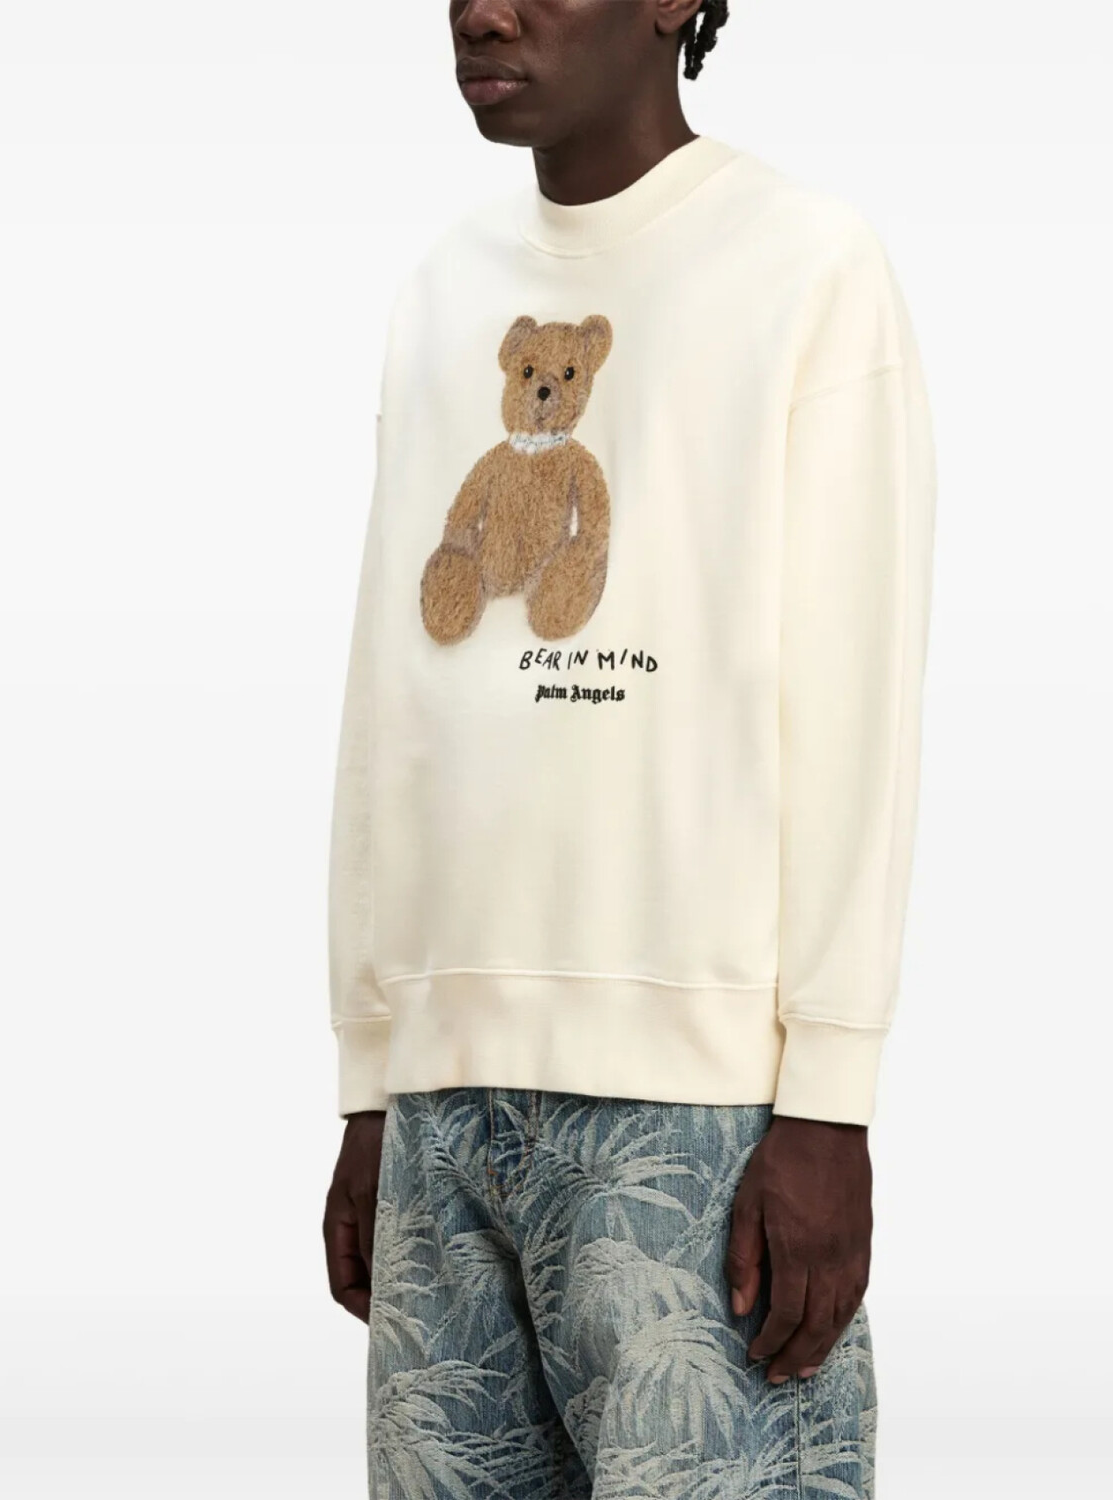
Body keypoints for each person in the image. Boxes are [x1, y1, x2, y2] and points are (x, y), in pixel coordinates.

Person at [322, 1, 936, 1494]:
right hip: (444, 1096)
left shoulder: (804, 266)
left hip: (700, 1105)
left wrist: (828, 1101)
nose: (481, 9)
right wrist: (371, 1074)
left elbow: (856, 695)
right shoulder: (442, 290)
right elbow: (390, 697)